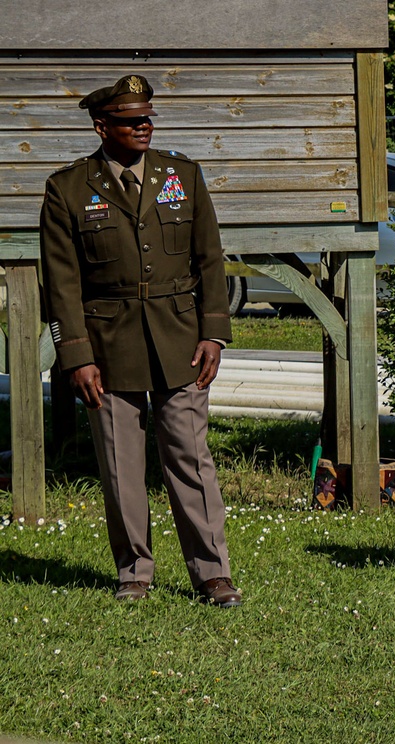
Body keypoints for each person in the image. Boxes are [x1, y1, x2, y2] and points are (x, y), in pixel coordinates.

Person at [39, 74, 242, 607]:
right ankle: (134, 572)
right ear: (102, 126)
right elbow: (61, 283)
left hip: (181, 339)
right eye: (131, 121)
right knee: (121, 464)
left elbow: (209, 261)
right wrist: (76, 355)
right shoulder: (69, 188)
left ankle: (212, 573)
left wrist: (214, 334)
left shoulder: (183, 176)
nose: (144, 126)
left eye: (148, 117)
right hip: (107, 345)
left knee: (191, 457)